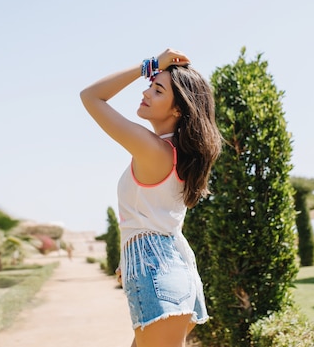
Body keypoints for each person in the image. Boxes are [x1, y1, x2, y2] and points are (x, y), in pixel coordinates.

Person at [80, 48, 222, 347]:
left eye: (158, 90)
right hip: (167, 269)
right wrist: (130, 260)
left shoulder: (154, 149)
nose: (146, 91)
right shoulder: (175, 154)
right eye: (151, 84)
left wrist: (151, 65)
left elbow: (91, 96)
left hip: (159, 277)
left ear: (177, 110)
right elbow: (156, 220)